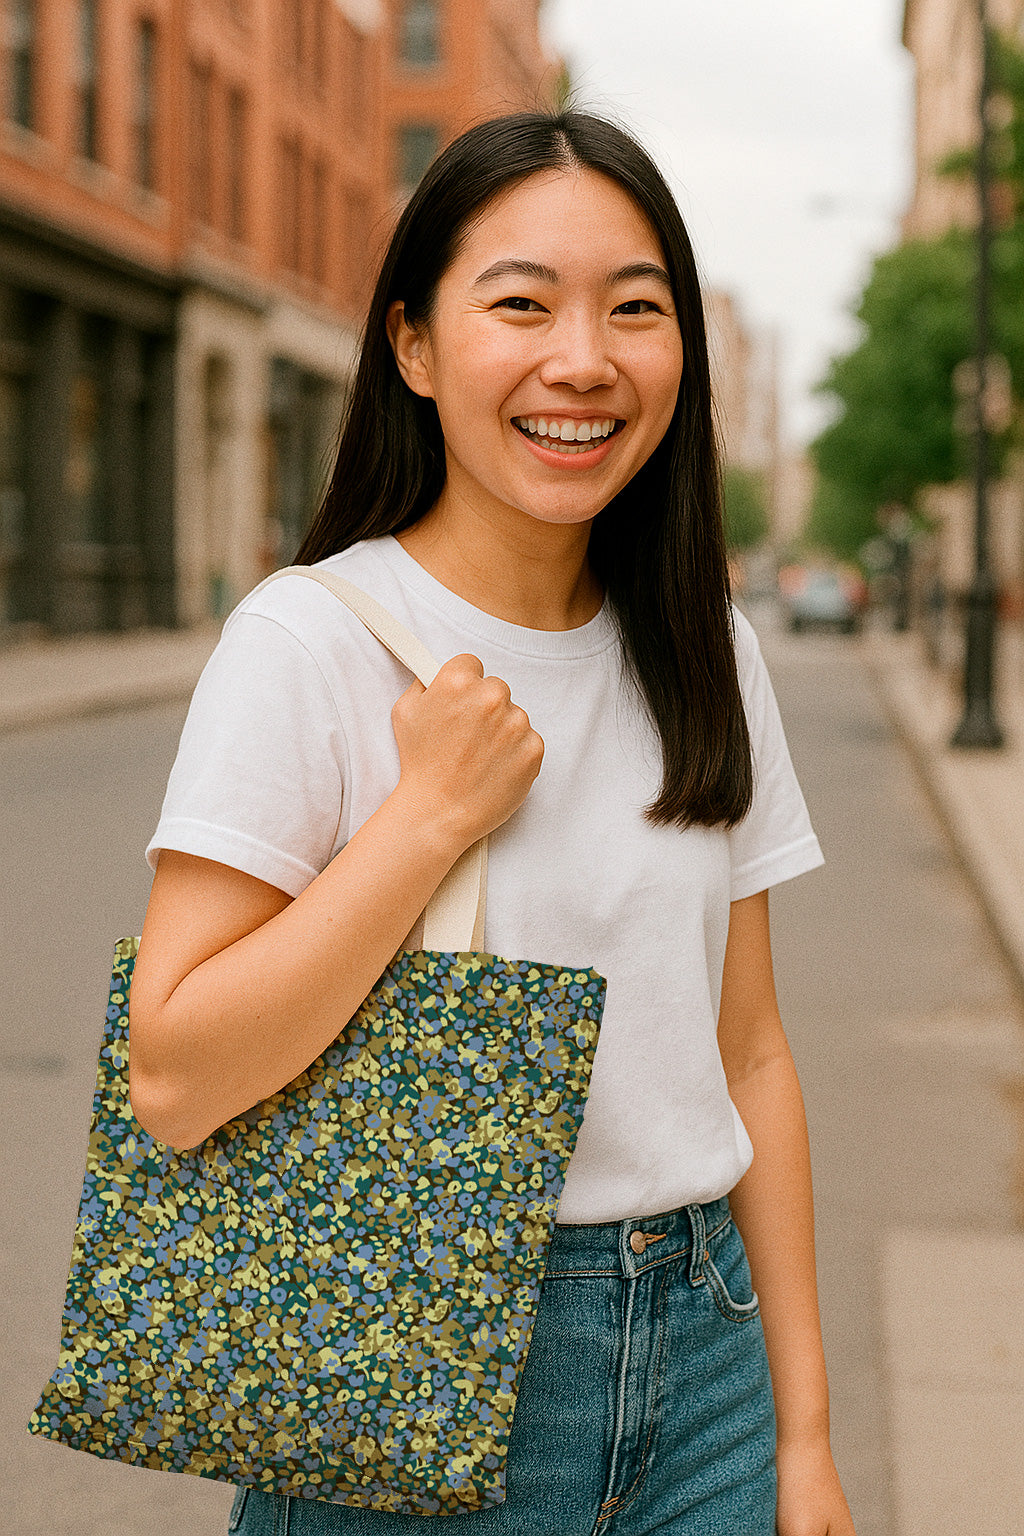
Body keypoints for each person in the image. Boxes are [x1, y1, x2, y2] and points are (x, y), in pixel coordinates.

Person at [128, 110, 855, 1536]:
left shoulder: (705, 643)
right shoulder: (311, 641)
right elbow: (175, 1073)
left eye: (634, 311)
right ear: (413, 346)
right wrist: (423, 822)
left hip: (704, 1363)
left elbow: (750, 1050)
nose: (581, 360)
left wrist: (805, 1434)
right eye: (520, 303)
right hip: (413, 1340)